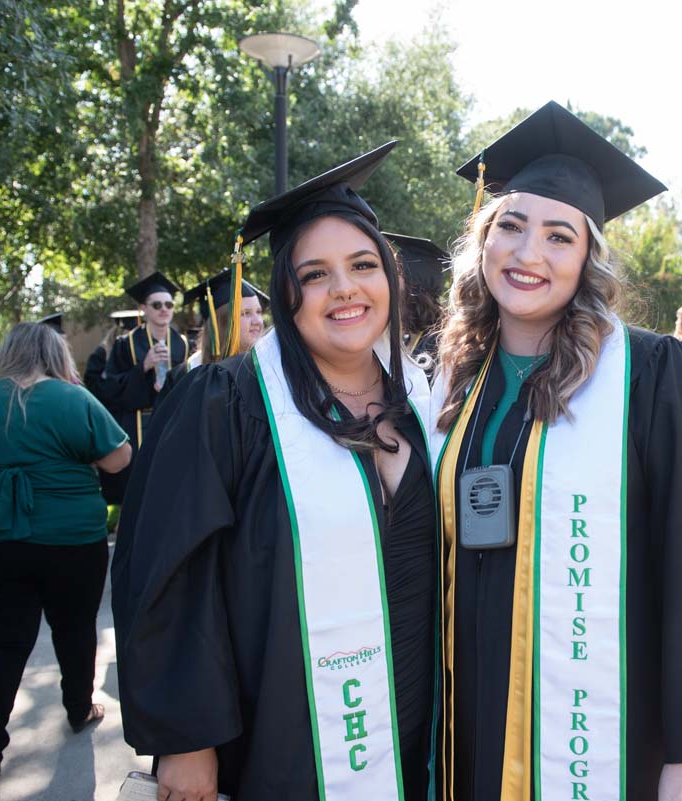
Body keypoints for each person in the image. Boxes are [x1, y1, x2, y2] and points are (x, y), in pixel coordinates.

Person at [432, 102, 682, 801]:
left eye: (558, 236)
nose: (528, 254)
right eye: (510, 226)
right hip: (464, 712)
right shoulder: (452, 381)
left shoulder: (651, 376)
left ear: (587, 258)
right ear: (482, 241)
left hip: (600, 721)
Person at [112, 143, 438, 801]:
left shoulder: (431, 405)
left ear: (391, 279)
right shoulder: (226, 403)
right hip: (282, 733)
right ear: (286, 293)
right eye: (314, 273)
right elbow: (169, 569)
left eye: (363, 264)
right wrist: (186, 739)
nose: (344, 288)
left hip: (418, 726)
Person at [0, 322, 132, 787]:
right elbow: (119, 457)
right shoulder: (72, 398)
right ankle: (79, 708)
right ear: (55, 355)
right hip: (70, 539)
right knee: (75, 628)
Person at [99, 274, 188, 504]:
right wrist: (143, 367)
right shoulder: (124, 345)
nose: (164, 310)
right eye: (156, 305)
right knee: (139, 491)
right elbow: (110, 390)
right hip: (138, 426)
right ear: (143, 309)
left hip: (173, 423)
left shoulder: (184, 344)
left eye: (169, 304)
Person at [158, 269, 269, 398]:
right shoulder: (184, 377)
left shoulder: (270, 368)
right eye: (245, 313)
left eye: (259, 312)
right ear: (220, 323)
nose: (258, 321)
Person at [385, 233, 447, 364]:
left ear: (412, 283)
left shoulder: (438, 346)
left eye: (397, 272)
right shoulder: (407, 337)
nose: (390, 279)